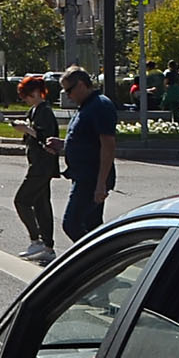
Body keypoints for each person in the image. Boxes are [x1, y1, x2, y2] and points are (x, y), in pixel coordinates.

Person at [57, 65, 118, 242]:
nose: (67, 95)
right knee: (93, 227)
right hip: (84, 176)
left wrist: (101, 183)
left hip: (91, 178)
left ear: (82, 84)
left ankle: (94, 263)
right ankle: (107, 263)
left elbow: (108, 145)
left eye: (69, 90)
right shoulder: (87, 106)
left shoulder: (100, 105)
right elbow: (86, 141)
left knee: (72, 224)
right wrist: (62, 144)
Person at [13, 75, 59, 260]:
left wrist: (27, 129)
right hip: (38, 164)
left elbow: (45, 137)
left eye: (27, 96)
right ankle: (47, 247)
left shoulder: (45, 111)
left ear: (35, 93)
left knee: (22, 200)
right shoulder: (35, 110)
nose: (26, 100)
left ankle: (37, 240)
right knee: (41, 205)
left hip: (42, 165)